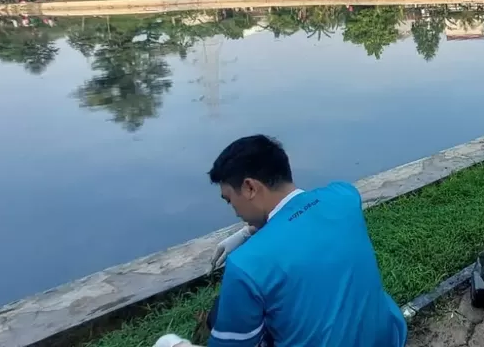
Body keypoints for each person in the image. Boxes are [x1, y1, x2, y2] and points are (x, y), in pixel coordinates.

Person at [155, 135, 406, 347]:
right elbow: (301, 218)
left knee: (169, 341)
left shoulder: (246, 264)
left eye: (229, 199)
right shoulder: (345, 197)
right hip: (389, 338)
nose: (234, 210)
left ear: (250, 187)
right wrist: (247, 232)